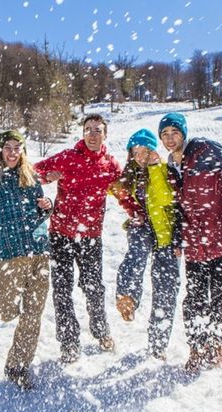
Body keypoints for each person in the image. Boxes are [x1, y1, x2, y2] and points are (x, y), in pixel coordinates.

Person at [34, 114, 132, 364]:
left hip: (90, 237)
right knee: (62, 290)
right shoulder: (68, 157)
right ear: (83, 133)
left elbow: (125, 193)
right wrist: (47, 177)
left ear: (105, 134)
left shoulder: (110, 165)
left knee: (94, 288)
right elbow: (34, 172)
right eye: (88, 129)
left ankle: (100, 331)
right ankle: (69, 342)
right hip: (60, 234)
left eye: (97, 130)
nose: (92, 134)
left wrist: (137, 214)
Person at [158, 112, 222, 373]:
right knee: (195, 298)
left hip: (221, 238)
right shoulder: (171, 166)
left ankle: (217, 343)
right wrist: (178, 236)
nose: (170, 138)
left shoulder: (204, 149)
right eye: (164, 134)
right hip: (194, 243)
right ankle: (197, 347)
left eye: (174, 132)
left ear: (184, 133)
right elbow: (177, 207)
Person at [0, 130, 52, 390]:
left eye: (18, 148)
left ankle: (18, 365)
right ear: (0, 150)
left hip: (39, 253)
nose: (13, 152)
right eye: (8, 147)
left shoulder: (31, 177)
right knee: (3, 310)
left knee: (32, 315)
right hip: (8, 255)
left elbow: (40, 210)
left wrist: (48, 205)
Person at [114, 129, 180, 361]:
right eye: (136, 151)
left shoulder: (164, 170)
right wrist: (134, 212)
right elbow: (120, 194)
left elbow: (165, 198)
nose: (140, 156)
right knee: (136, 253)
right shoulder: (129, 173)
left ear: (154, 150)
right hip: (141, 227)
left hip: (165, 233)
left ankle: (158, 343)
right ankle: (127, 297)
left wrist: (154, 169)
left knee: (166, 287)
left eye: (145, 150)